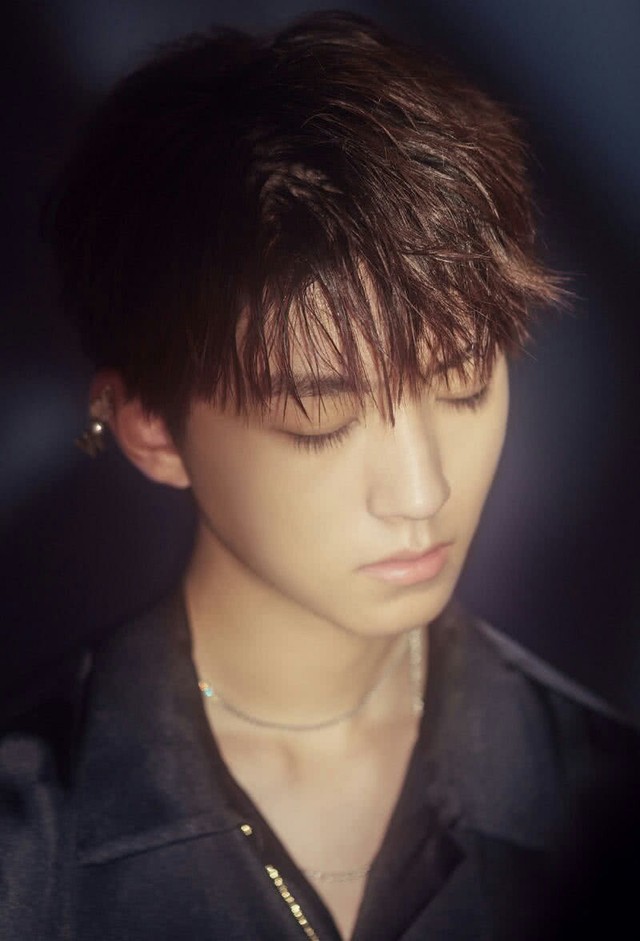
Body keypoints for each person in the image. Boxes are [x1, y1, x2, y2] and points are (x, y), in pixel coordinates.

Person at [1, 10, 639, 941]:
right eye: (320, 419)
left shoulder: (608, 807)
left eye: (464, 384)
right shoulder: (26, 848)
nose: (421, 493)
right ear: (152, 429)